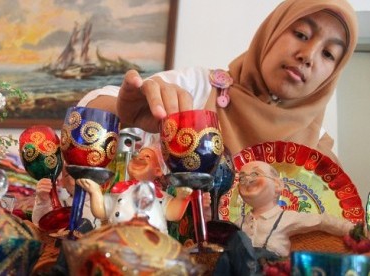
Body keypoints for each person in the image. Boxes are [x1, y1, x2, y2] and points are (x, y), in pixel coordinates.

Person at [78, 0, 358, 163]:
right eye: (300, 34)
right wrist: (124, 115)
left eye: (328, 54)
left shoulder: (317, 156)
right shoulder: (197, 89)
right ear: (269, 33)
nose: (308, 56)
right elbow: (87, 108)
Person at [214, 160, 354, 275]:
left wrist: (355, 230)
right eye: (242, 178)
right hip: (240, 267)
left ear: (278, 185)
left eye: (256, 174)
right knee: (229, 250)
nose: (248, 180)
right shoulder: (240, 222)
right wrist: (210, 210)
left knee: (237, 238)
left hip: (270, 269)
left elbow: (323, 221)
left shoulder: (287, 218)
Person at [76, 145, 208, 233]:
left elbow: (173, 214)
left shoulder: (159, 196)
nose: (139, 157)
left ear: (157, 170)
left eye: (147, 157)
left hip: (150, 249)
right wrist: (95, 192)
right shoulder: (120, 191)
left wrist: (181, 198)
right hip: (118, 245)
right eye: (139, 154)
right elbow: (101, 212)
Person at [32, 163, 100, 230]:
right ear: (61, 182)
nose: (80, 178)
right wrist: (43, 200)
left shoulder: (105, 202)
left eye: (85, 171)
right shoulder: (61, 208)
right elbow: (39, 224)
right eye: (73, 174)